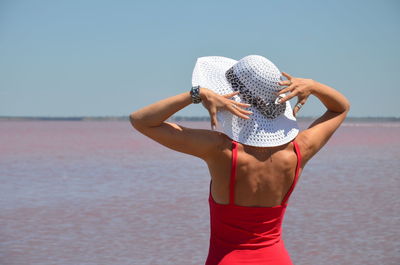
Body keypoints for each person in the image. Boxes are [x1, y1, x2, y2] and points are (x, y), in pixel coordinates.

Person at [129, 55, 350, 265]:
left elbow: (141, 121)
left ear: (233, 95)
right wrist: (312, 85)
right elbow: (340, 108)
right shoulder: (300, 149)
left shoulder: (220, 150)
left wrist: (196, 95)